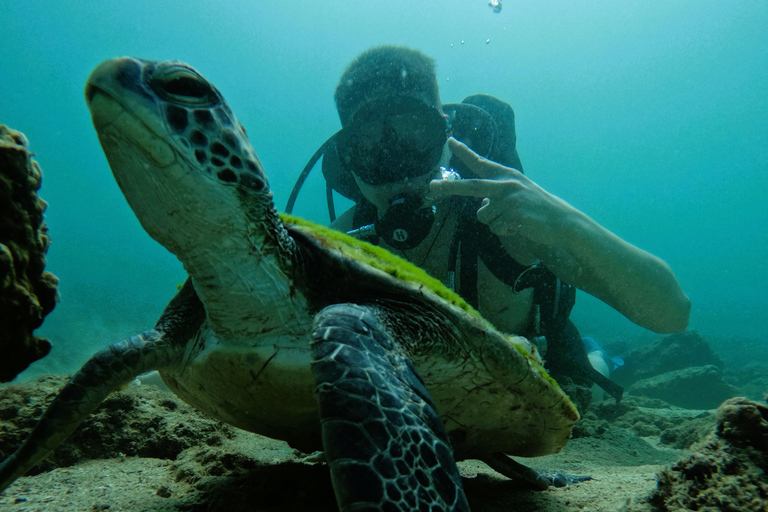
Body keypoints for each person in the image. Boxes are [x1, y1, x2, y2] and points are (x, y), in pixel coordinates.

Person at [288, 45, 690, 400]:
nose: (397, 165)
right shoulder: (344, 241)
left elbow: (672, 313)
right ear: (349, 161)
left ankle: (595, 351)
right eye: (371, 144)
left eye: (415, 133)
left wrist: (564, 223)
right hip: (422, 391)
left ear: (445, 137)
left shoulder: (505, 219)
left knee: (587, 383)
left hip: (537, 368)